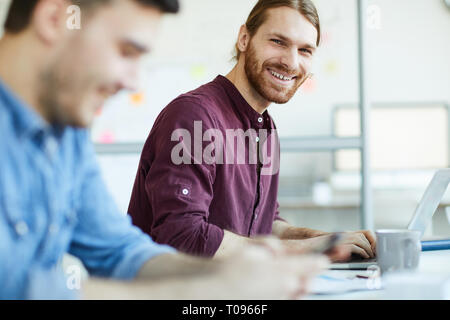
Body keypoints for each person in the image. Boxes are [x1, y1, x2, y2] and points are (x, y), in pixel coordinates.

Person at [0, 0, 328, 300]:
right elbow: (24, 291)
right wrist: (209, 289)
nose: (133, 81)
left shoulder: (65, 134)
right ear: (55, 17)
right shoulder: (196, 114)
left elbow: (119, 251)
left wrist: (237, 273)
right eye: (126, 51)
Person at [128, 0, 376, 259]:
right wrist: (309, 248)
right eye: (278, 42)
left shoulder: (266, 129)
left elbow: (262, 225)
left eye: (305, 50)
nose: (291, 63)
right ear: (244, 39)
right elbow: (183, 236)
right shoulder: (195, 117)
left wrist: (329, 241)